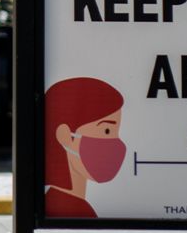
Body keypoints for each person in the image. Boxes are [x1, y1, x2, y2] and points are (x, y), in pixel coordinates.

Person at [44, 77, 126, 218]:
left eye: (116, 132)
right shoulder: (69, 207)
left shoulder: (76, 206)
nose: (118, 143)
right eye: (107, 130)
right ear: (65, 136)